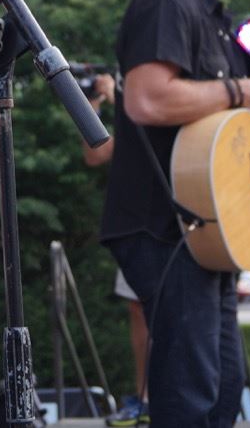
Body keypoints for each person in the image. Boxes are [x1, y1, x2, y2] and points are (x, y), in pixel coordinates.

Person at [102, 0, 250, 426]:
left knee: (222, 386)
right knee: (189, 389)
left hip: (205, 228)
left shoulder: (211, 14)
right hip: (162, 225)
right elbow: (145, 98)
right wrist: (239, 92)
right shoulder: (164, 2)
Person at [79, 72, 149, 427]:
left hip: (172, 220)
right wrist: (91, 104)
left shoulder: (146, 96)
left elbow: (147, 125)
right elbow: (96, 155)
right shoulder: (127, 103)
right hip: (137, 222)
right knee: (138, 309)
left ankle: (170, 395)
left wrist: (118, 95)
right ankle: (145, 399)